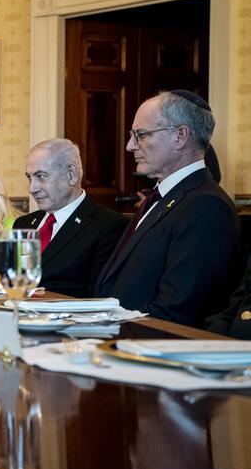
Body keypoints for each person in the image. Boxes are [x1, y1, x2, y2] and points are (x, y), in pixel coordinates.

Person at [95, 91, 242, 326]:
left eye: (141, 135)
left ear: (180, 136)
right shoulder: (163, 197)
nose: (130, 146)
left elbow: (177, 310)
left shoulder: (206, 206)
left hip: (146, 349)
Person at [14, 139, 127, 297]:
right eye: (29, 178)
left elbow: (98, 298)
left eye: (41, 177)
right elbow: (12, 283)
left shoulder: (108, 226)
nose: (32, 188)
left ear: (71, 174)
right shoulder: (23, 223)